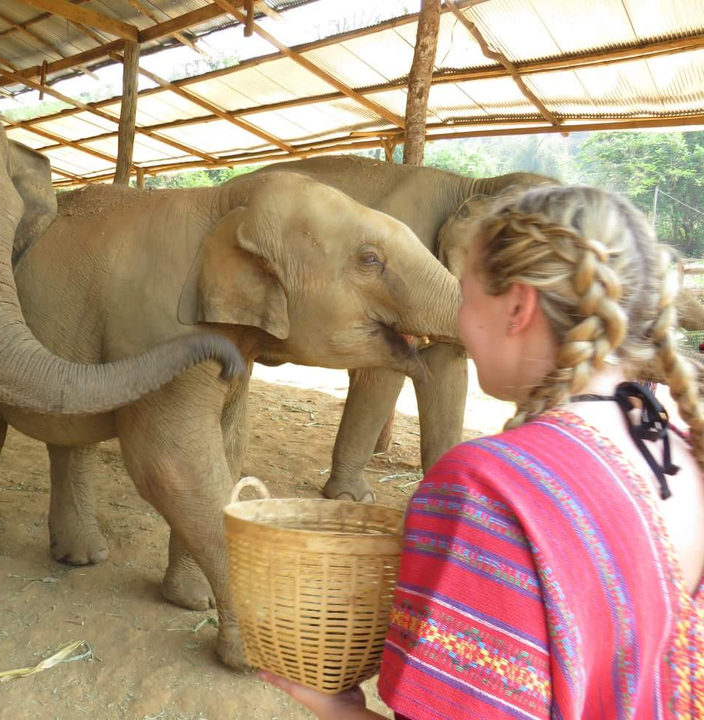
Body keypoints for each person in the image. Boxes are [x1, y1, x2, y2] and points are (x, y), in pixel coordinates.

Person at [261, 185, 704, 719]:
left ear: (518, 306)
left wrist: (336, 708)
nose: (462, 325)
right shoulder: (680, 445)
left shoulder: (486, 488)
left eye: (465, 299)